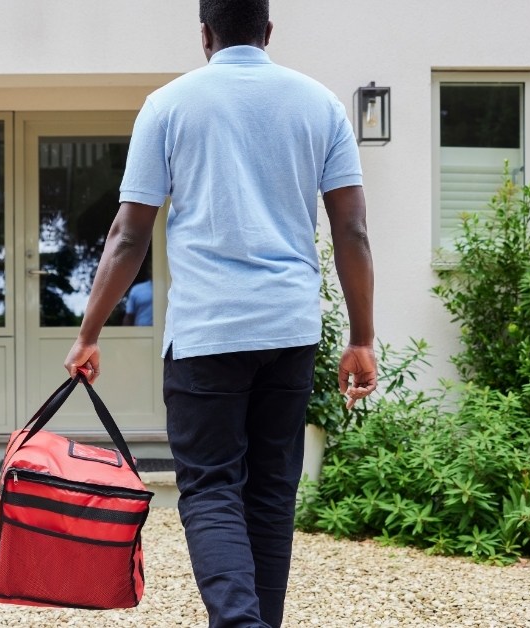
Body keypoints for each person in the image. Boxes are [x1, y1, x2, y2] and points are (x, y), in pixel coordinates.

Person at [63, 1, 377, 625]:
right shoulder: (321, 105)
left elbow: (128, 237)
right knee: (269, 493)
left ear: (204, 34)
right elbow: (353, 229)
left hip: (206, 334)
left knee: (210, 489)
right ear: (268, 30)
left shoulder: (169, 105)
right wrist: (362, 337)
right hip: (289, 331)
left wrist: (89, 332)